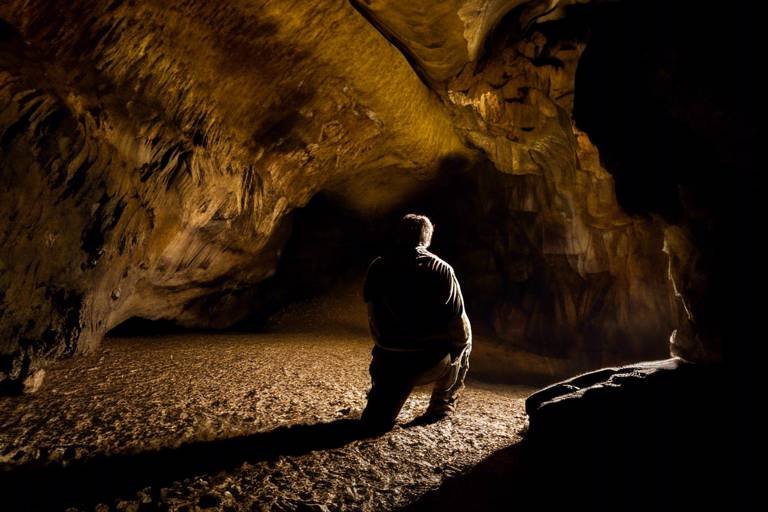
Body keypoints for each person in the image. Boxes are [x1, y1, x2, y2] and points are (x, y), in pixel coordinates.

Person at [361, 214, 472, 431]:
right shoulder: (442, 270)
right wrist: (456, 350)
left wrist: (387, 342)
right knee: (465, 337)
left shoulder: (378, 266)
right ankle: (442, 404)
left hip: (388, 361)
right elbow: (459, 327)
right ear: (428, 238)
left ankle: (380, 391)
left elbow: (372, 314)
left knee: (375, 422)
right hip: (427, 362)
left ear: (399, 235)